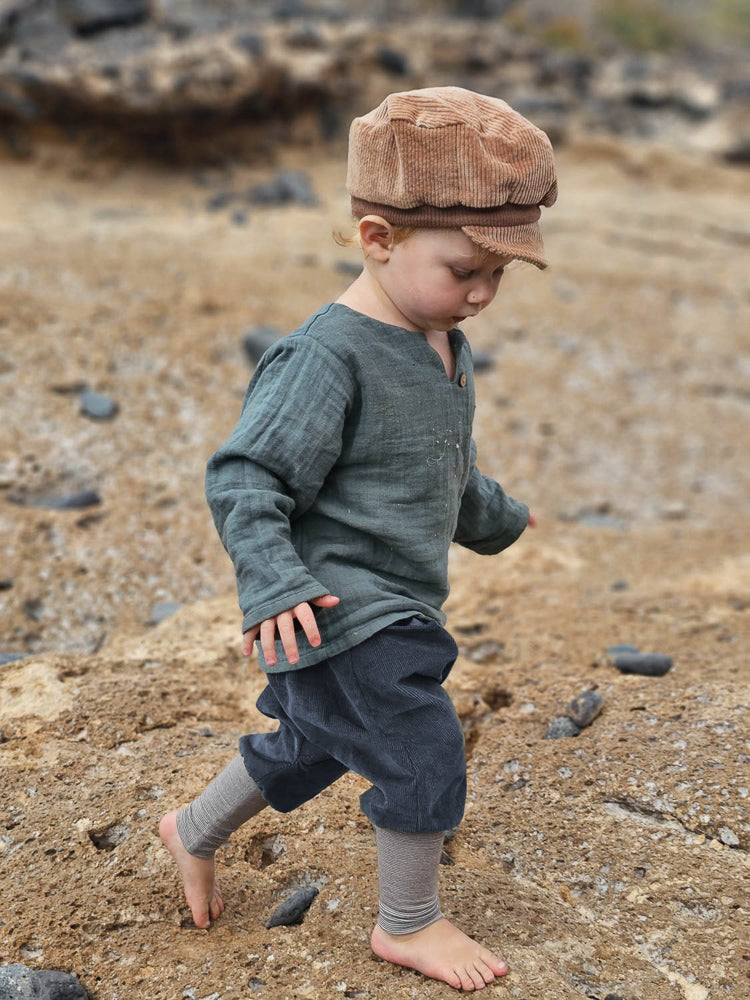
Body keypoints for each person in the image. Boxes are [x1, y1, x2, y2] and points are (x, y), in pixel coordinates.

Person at [160, 85, 556, 992]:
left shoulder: (443, 343)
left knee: (314, 740)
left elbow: (437, 467)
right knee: (420, 745)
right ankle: (408, 923)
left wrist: (497, 519)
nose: (484, 294)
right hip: (334, 606)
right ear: (379, 239)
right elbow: (246, 477)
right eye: (465, 270)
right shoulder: (326, 357)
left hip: (396, 605)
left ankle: (193, 828)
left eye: (501, 274)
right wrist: (271, 584)